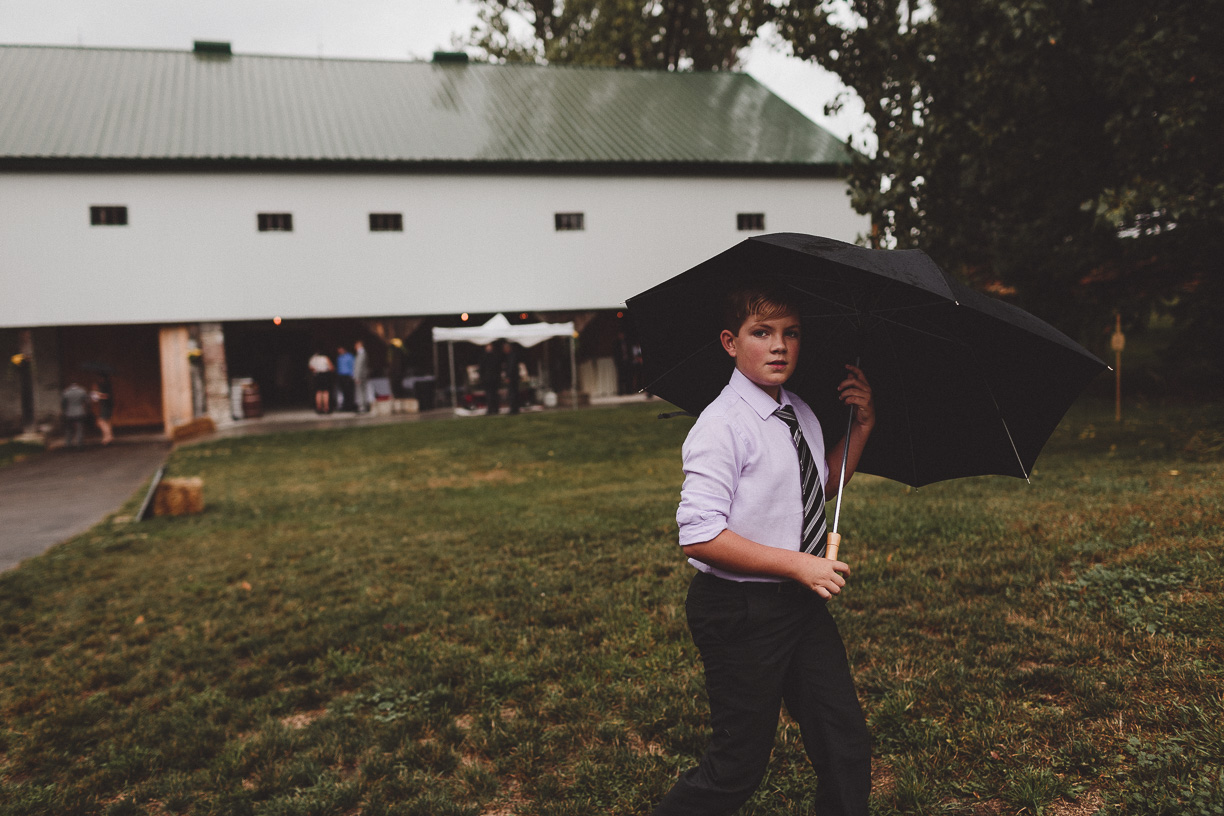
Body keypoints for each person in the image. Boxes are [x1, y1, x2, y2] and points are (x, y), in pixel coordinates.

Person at [652, 286, 876, 816]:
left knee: (845, 744)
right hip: (739, 609)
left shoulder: (799, 412)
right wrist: (800, 563)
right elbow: (699, 534)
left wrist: (862, 425)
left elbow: (815, 487)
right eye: (762, 333)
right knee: (737, 768)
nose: (780, 347)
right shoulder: (722, 425)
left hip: (799, 607)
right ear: (730, 342)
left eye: (791, 333)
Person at [61, 380, 91, 447]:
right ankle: (80, 443)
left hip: (69, 413)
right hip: (80, 412)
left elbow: (63, 403)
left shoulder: (66, 392)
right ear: (77, 385)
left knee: (69, 429)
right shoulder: (82, 391)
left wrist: (64, 411)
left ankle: (68, 443)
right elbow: (88, 402)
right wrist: (87, 410)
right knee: (80, 428)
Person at [479, 341, 504, 415]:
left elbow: (481, 369)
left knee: (491, 394)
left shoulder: (485, 357)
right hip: (492, 378)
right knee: (492, 394)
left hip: (490, 379)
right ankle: (494, 409)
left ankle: (492, 409)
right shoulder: (494, 356)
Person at [91, 374, 114, 445]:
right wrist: (95, 390)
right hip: (106, 406)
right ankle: (107, 436)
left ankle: (108, 436)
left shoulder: (105, 386)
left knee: (101, 422)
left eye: (100, 378)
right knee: (106, 422)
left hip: (106, 406)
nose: (99, 379)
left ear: (102, 378)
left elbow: (105, 396)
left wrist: (97, 393)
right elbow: (95, 399)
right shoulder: (105, 386)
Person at [502, 339, 522, 414]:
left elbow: (511, 367)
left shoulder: (511, 356)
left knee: (512, 393)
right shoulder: (512, 355)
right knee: (514, 392)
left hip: (512, 378)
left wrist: (508, 377)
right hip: (514, 377)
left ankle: (513, 409)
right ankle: (515, 408)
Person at [335, 346, 356, 412]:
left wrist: (352, 375)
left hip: (348, 376)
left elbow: (353, 366)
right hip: (341, 376)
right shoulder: (339, 357)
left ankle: (350, 406)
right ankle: (345, 406)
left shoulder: (350, 357)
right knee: (343, 392)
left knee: (349, 391)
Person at [353, 340, 370, 413]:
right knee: (362, 391)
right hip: (363, 375)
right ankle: (363, 406)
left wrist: (357, 377)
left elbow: (359, 366)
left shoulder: (361, 353)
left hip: (360, 376)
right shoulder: (362, 353)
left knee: (360, 391)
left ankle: (362, 407)